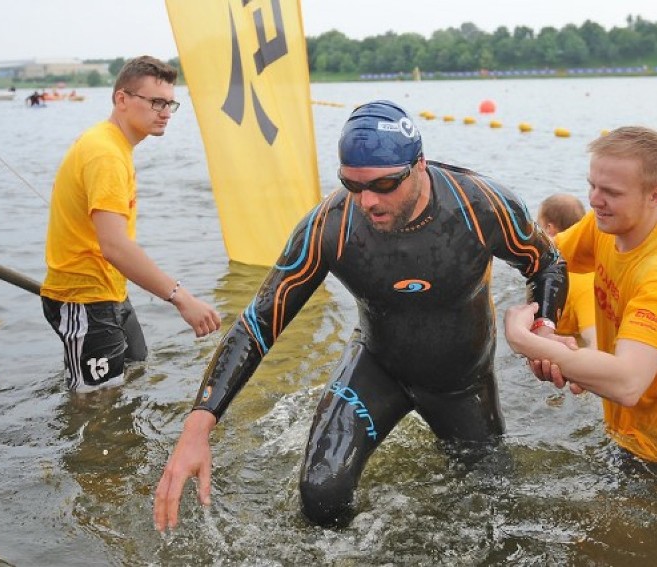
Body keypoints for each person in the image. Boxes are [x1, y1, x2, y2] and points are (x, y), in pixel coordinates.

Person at [154, 100, 572, 529]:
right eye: (351, 185)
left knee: (496, 507)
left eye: (384, 185)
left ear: (419, 166)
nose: (367, 201)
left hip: (461, 382)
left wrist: (544, 327)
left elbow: (547, 264)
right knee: (321, 496)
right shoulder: (329, 226)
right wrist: (199, 424)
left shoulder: (480, 207)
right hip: (377, 368)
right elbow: (261, 319)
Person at [505, 126, 657, 465]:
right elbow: (545, 261)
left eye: (610, 191)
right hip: (628, 424)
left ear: (656, 195)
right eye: (592, 186)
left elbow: (627, 382)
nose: (595, 200)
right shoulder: (603, 224)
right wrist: (547, 326)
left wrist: (522, 339)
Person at [40, 56, 221, 391]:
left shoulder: (114, 146)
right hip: (83, 296)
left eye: (169, 103)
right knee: (97, 406)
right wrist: (182, 297)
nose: (165, 112)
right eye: (155, 102)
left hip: (109, 292)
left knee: (136, 372)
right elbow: (115, 246)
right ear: (121, 99)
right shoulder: (105, 153)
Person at [537, 193, 596, 348]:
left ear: (549, 229)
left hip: (563, 352)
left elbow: (596, 340)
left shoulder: (583, 282)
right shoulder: (595, 271)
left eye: (538, 226)